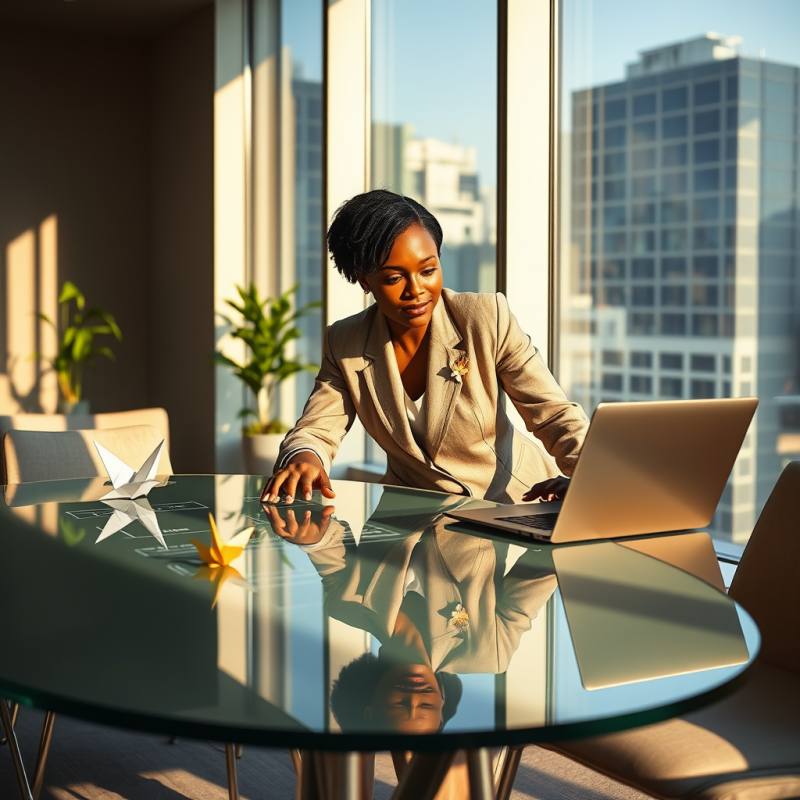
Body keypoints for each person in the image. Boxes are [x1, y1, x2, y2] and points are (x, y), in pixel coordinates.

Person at [260, 189, 589, 506]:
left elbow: (555, 416)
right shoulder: (345, 341)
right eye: (393, 278)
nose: (416, 290)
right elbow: (317, 428)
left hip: (511, 506)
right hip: (412, 521)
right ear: (364, 280)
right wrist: (304, 458)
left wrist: (590, 478)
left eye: (428, 270)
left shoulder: (485, 318)